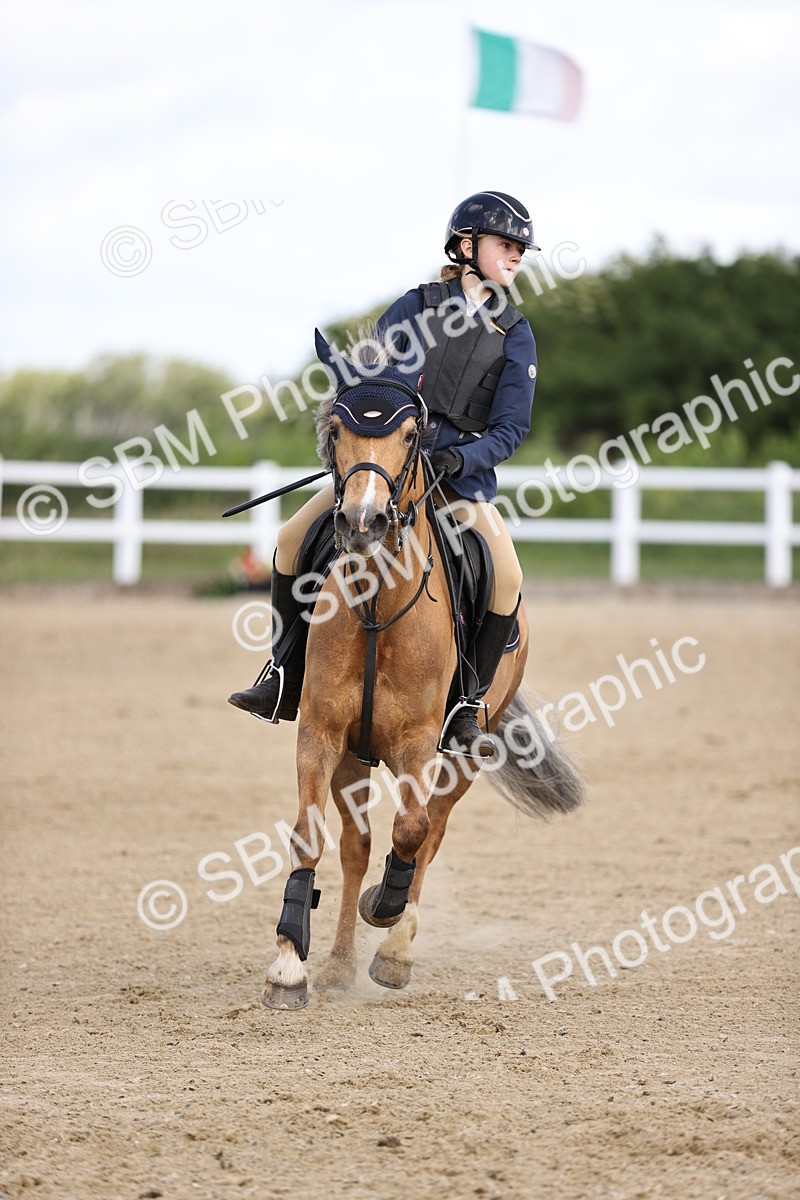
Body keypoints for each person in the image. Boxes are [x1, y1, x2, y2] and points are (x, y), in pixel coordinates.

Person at [229, 190, 539, 758]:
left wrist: (460, 459)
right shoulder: (414, 308)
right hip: (387, 471)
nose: (518, 254)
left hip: (459, 484)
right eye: (507, 243)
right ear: (466, 246)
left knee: (508, 576)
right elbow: (374, 388)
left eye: (522, 247)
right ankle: (282, 673)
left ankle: (469, 704)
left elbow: (511, 429)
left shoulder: (515, 333)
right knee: (290, 538)